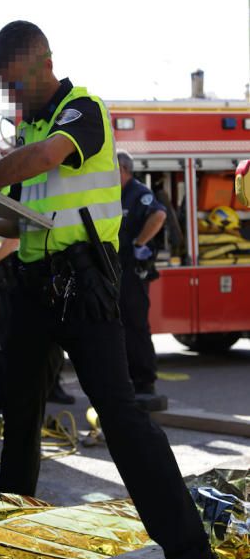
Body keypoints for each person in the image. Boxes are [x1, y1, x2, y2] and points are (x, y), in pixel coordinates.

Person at [0, 20, 230, 559]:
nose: (13, 97)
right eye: (6, 86)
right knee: (19, 416)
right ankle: (9, 540)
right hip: (34, 286)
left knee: (123, 420)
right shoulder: (31, 125)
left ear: (44, 63)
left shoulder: (83, 113)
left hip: (85, 289)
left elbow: (45, 160)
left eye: (17, 82)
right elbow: (36, 222)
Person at [0, 146, 75, 413]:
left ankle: (11, 403)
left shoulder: (9, 194)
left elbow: (14, 240)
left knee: (11, 346)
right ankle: (1, 398)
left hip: (11, 274)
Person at [117, 150, 166, 397]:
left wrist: (139, 244)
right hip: (116, 269)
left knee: (135, 325)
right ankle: (125, 379)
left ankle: (144, 381)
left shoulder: (138, 193)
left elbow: (159, 215)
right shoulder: (113, 194)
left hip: (132, 271)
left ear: (123, 170)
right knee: (118, 326)